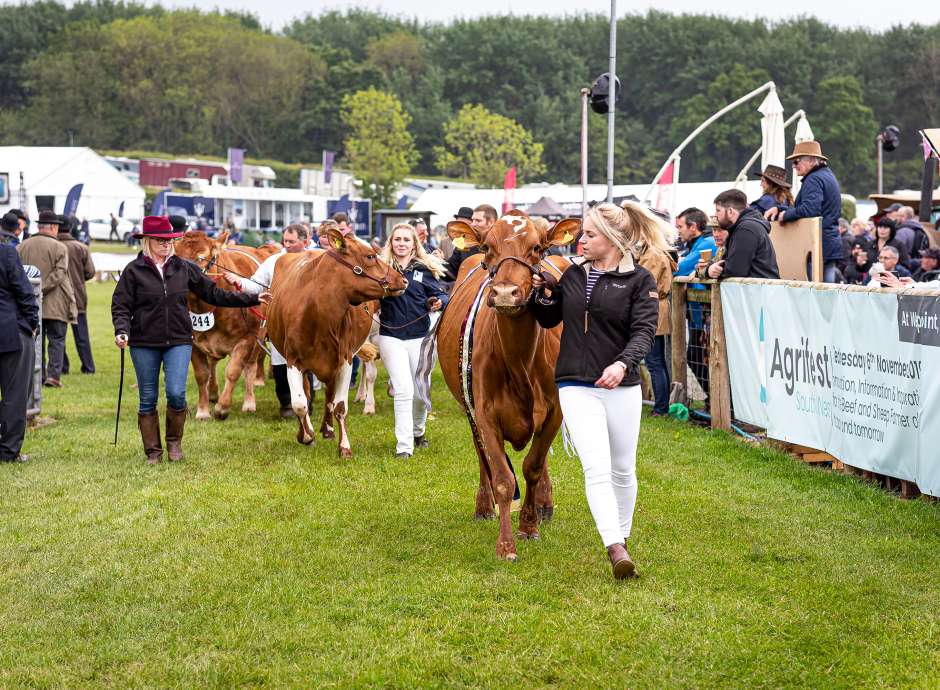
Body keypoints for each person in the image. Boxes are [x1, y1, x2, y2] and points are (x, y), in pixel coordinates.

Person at [531, 202, 659, 580]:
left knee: (623, 470)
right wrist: (545, 295)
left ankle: (623, 534)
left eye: (589, 234)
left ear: (613, 239)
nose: (580, 239)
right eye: (582, 233)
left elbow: (644, 332)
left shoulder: (640, 281)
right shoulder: (572, 275)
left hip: (622, 385)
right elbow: (548, 318)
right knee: (596, 468)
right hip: (574, 383)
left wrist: (622, 364)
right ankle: (615, 548)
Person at [111, 216, 266, 464]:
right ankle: (153, 452)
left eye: (169, 240)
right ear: (148, 241)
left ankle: (174, 445)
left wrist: (252, 299)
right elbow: (120, 305)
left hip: (179, 341)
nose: (165, 245)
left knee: (176, 393)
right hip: (143, 342)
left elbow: (215, 293)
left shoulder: (184, 268)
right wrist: (122, 330)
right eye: (160, 241)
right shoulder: (133, 270)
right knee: (148, 397)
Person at [377, 223, 448, 459]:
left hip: (420, 337)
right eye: (397, 239)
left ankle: (419, 432)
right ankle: (404, 447)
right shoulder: (381, 268)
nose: (401, 244)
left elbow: (440, 294)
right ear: (391, 242)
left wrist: (438, 302)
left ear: (414, 244)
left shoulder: (423, 269)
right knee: (403, 389)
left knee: (420, 392)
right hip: (391, 336)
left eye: (406, 240)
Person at [224, 224, 308, 418]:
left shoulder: (315, 260)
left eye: (291, 242)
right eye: (285, 241)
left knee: (305, 365)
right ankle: (286, 404)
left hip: (307, 323)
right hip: (281, 322)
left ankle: (306, 404)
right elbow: (256, 284)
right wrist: (237, 281)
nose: (286, 245)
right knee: (280, 365)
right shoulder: (275, 261)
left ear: (305, 240)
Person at [765, 140, 842, 283]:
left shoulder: (813, 179)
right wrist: (780, 208)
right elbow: (811, 207)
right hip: (828, 241)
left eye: (797, 162)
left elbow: (810, 210)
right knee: (828, 293)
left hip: (818, 243)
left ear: (812, 160)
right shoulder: (826, 175)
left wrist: (785, 215)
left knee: (817, 294)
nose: (794, 166)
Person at [17, 210, 76, 388]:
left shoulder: (22, 246)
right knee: (56, 341)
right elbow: (59, 274)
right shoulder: (60, 247)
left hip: (29, 303)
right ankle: (53, 376)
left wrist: (32, 290)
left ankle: (38, 375)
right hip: (56, 303)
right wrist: (40, 288)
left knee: (36, 343)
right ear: (52, 227)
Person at [628, 204, 676, 416]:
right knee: (656, 361)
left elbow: (643, 281)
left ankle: (661, 407)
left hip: (654, 310)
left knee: (655, 362)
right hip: (656, 309)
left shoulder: (654, 254)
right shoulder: (652, 251)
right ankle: (660, 405)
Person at [0, 233, 40, 463]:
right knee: (15, 395)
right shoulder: (6, 253)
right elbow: (25, 292)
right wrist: (31, 324)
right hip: (10, 330)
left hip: (11, 328)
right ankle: (8, 451)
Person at [707, 189, 780, 280]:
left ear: (730, 211)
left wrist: (707, 271)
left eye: (718, 210)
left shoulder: (746, 229)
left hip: (759, 292)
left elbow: (735, 270)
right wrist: (709, 268)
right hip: (758, 290)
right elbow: (729, 263)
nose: (715, 215)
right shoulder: (743, 227)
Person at [58, 218, 96, 375]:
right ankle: (88, 366)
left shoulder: (54, 246)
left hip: (57, 296)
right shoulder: (81, 247)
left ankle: (62, 366)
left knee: (58, 336)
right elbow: (90, 272)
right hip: (78, 295)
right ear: (71, 227)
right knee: (82, 336)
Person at [445, 204, 496, 282]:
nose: (473, 224)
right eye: (473, 220)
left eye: (478, 220)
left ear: (491, 222)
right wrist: (431, 263)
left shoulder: (504, 245)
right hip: (469, 291)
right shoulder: (464, 243)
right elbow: (451, 270)